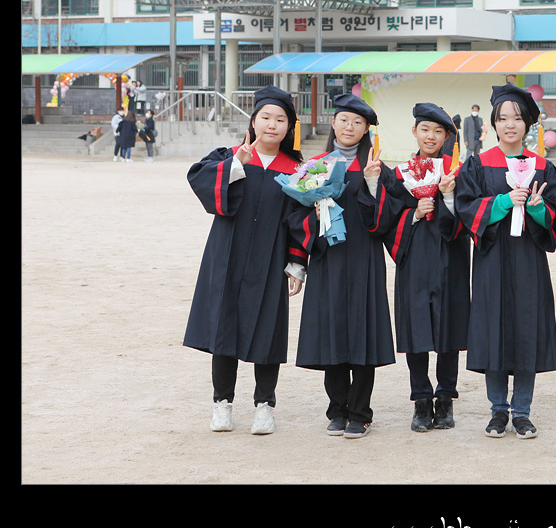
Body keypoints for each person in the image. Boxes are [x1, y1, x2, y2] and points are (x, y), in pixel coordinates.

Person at [183, 85, 307, 435]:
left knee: (267, 331)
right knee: (224, 328)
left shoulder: (296, 171)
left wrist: (296, 264)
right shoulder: (230, 157)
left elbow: (299, 221)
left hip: (271, 260)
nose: (272, 125)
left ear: (289, 128)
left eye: (280, 119)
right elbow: (198, 179)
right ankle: (222, 404)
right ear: (253, 122)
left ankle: (265, 406)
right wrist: (237, 164)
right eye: (266, 117)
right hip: (228, 257)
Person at [454, 84, 556, 439]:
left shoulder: (543, 167)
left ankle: (523, 412)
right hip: (492, 258)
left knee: (527, 328)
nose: (510, 124)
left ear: (528, 123)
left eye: (517, 118)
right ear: (494, 124)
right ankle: (498, 410)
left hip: (529, 259)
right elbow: (466, 208)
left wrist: (539, 210)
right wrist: (502, 202)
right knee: (493, 328)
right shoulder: (478, 164)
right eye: (502, 118)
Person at [289, 93, 397, 439]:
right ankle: (337, 408)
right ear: (333, 123)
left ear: (366, 130)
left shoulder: (376, 166)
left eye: (358, 122)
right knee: (331, 330)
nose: (350, 127)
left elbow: (387, 218)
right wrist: (300, 256)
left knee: (363, 333)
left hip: (364, 259)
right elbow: (295, 217)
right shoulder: (316, 165)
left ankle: (360, 412)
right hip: (328, 259)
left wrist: (372, 183)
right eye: (344, 120)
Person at [382, 103, 471, 432]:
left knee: (449, 327)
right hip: (415, 258)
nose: (431, 136)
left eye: (438, 131)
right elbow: (387, 220)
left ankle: (445, 398)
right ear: (414, 132)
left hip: (451, 258)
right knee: (415, 328)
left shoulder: (459, 171)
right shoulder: (400, 174)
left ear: (447, 136)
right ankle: (421, 399)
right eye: (425, 129)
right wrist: (415, 213)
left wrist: (447, 198)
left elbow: (469, 216)